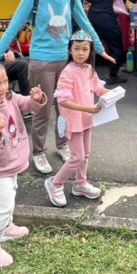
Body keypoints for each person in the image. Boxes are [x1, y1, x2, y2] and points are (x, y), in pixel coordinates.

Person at [0, 0, 113, 175]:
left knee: (65, 109)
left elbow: (84, 23)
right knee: (42, 110)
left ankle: (62, 144)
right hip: (41, 62)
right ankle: (38, 151)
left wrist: (99, 47)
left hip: (66, 63)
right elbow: (13, 29)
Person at [0, 60, 46, 268]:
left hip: (11, 164)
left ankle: (6, 228)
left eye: (5, 81)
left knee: (10, 195)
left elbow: (27, 104)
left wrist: (36, 99)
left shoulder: (11, 98)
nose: (4, 87)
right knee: (3, 208)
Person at [44, 30, 111, 207]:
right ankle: (55, 183)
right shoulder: (68, 72)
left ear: (90, 51)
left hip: (87, 118)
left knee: (85, 154)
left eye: (84, 49)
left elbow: (98, 87)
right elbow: (63, 100)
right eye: (77, 48)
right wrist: (88, 108)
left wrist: (113, 94)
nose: (81, 53)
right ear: (70, 50)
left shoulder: (89, 69)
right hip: (74, 120)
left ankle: (80, 183)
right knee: (77, 157)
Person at [88, 0, 137, 85]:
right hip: (107, 19)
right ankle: (113, 75)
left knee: (89, 46)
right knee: (117, 47)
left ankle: (84, 75)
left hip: (92, 17)